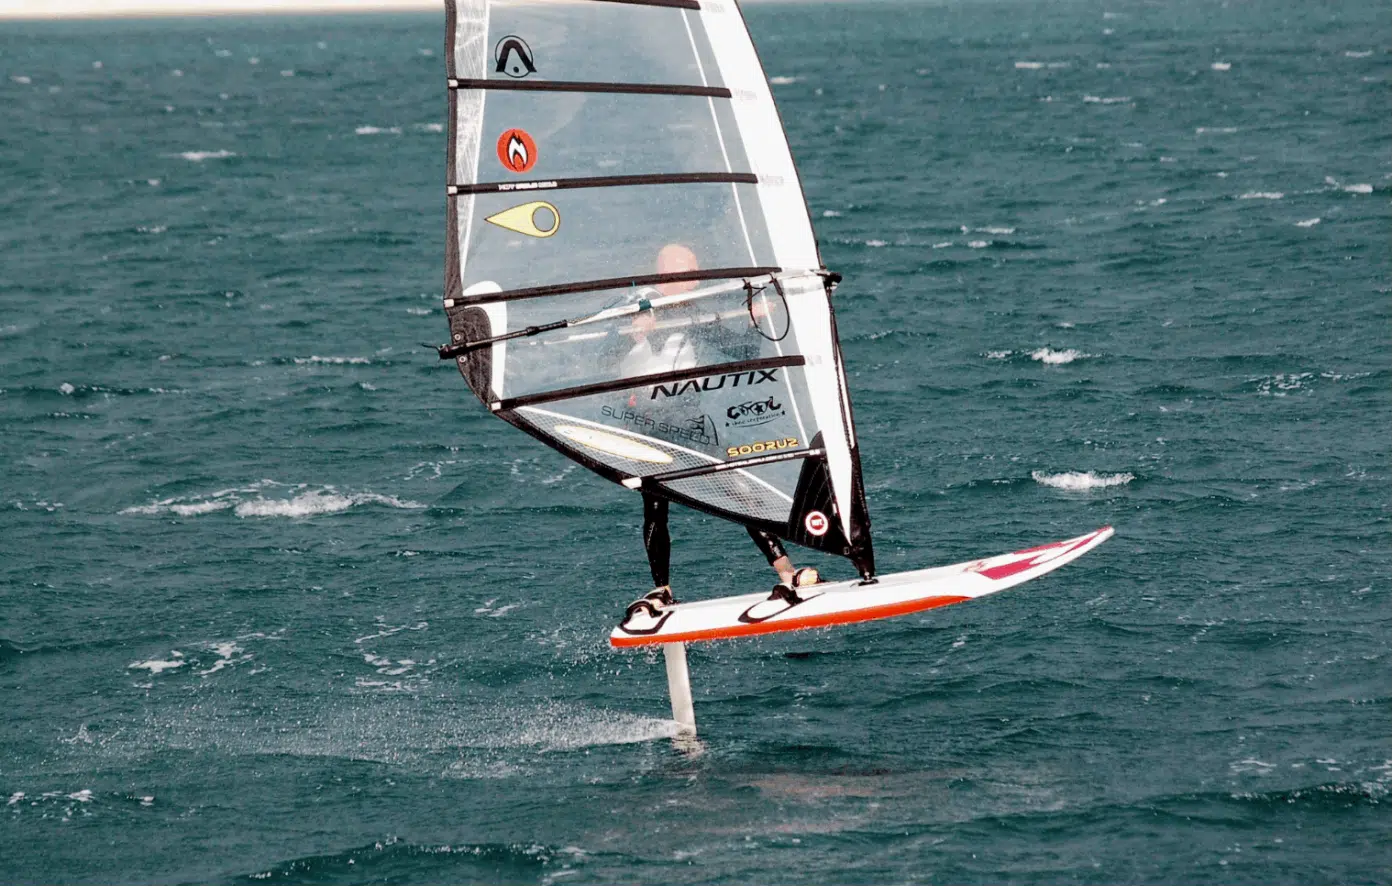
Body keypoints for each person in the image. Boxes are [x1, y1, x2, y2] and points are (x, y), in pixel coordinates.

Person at [619, 245, 820, 610]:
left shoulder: (694, 310)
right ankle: (661, 589)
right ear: (663, 272)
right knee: (656, 505)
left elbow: (741, 350)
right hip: (643, 419)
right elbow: (602, 352)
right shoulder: (634, 305)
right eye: (686, 274)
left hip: (688, 416)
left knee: (737, 486)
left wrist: (753, 317)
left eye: (696, 274)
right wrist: (632, 333)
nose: (694, 281)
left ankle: (787, 571)